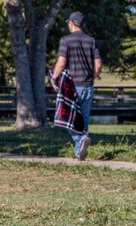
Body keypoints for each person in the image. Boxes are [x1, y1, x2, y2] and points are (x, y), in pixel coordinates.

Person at [51, 11, 102, 161]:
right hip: (88, 85)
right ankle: (79, 152)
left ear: (72, 23)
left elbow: (61, 62)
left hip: (72, 87)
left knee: (67, 119)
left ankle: (80, 139)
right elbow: (98, 66)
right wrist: (90, 77)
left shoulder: (66, 40)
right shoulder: (91, 41)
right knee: (83, 118)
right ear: (83, 25)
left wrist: (54, 78)